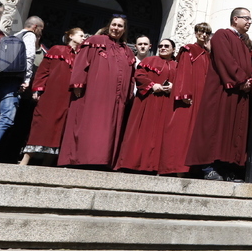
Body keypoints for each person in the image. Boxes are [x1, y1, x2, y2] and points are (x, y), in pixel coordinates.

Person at [184, 7, 252, 181]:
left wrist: (251, 81)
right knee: (215, 127)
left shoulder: (244, 42)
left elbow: (251, 68)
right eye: (246, 18)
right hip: (223, 90)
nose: (250, 22)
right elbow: (225, 60)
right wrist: (241, 80)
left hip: (239, 94)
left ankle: (226, 168)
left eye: (250, 19)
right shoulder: (222, 35)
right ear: (235, 19)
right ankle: (209, 167)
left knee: (231, 131)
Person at [58, 15, 135, 169]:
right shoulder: (95, 41)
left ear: (124, 29)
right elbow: (81, 62)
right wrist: (78, 84)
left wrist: (128, 94)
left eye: (120, 26)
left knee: (109, 130)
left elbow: (131, 75)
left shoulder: (127, 51)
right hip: (93, 94)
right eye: (114, 24)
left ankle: (104, 161)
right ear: (109, 25)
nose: (116, 28)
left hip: (116, 99)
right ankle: (82, 159)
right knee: (89, 125)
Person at [0, 16, 45, 161]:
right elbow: (29, 57)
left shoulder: (13, 36)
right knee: (7, 118)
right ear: (34, 27)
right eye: (41, 29)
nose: (41, 33)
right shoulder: (30, 36)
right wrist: (26, 80)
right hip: (14, 81)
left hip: (2, 79)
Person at [19, 27, 86, 165]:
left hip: (67, 98)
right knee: (41, 124)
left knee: (60, 127)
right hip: (50, 95)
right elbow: (43, 71)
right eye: (81, 35)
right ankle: (25, 160)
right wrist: (38, 89)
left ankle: (47, 164)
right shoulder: (57, 49)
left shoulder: (81, 56)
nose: (83, 38)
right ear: (71, 36)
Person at [114, 38, 177, 173]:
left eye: (166, 46)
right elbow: (140, 75)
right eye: (160, 46)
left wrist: (174, 87)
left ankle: (153, 166)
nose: (163, 48)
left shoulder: (178, 66)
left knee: (160, 135)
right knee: (141, 132)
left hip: (166, 105)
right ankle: (133, 164)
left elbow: (183, 84)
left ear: (173, 49)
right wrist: (153, 85)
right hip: (147, 101)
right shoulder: (149, 61)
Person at [162, 23, 212, 176]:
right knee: (183, 131)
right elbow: (183, 73)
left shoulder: (209, 54)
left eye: (207, 33)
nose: (203, 35)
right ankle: (178, 169)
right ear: (196, 33)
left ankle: (194, 169)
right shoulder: (189, 49)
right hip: (190, 97)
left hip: (203, 96)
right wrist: (185, 94)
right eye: (201, 32)